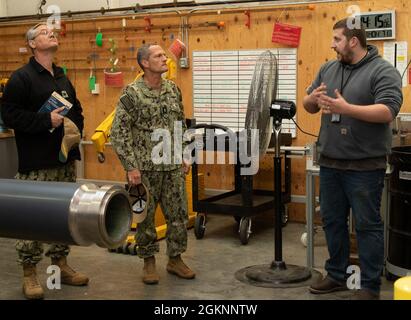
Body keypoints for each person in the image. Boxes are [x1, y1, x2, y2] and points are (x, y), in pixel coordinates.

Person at [303, 18, 402, 300]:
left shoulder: (383, 71)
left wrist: (348, 108)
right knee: (332, 221)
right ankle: (336, 274)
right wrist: (314, 100)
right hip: (331, 162)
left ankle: (369, 286)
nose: (332, 44)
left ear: (353, 41)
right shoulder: (328, 68)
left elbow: (387, 111)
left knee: (367, 225)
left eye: (337, 39)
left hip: (364, 166)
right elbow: (308, 103)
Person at [1, 23, 87, 299]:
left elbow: (78, 110)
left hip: (63, 160)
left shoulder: (61, 76)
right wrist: (44, 120)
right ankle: (29, 272)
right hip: (36, 163)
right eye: (43, 32)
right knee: (32, 218)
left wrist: (75, 129)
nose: (51, 33)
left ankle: (60, 264)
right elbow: (10, 116)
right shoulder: (21, 78)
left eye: (52, 31)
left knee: (65, 216)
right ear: (33, 45)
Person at [110, 44, 195, 285]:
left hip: (172, 167)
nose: (164, 58)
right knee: (145, 218)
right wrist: (130, 166)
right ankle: (148, 262)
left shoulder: (173, 90)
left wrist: (185, 154)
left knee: (178, 215)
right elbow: (119, 132)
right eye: (158, 56)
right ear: (145, 63)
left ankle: (175, 259)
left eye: (164, 55)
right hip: (144, 170)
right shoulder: (132, 94)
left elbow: (181, 124)